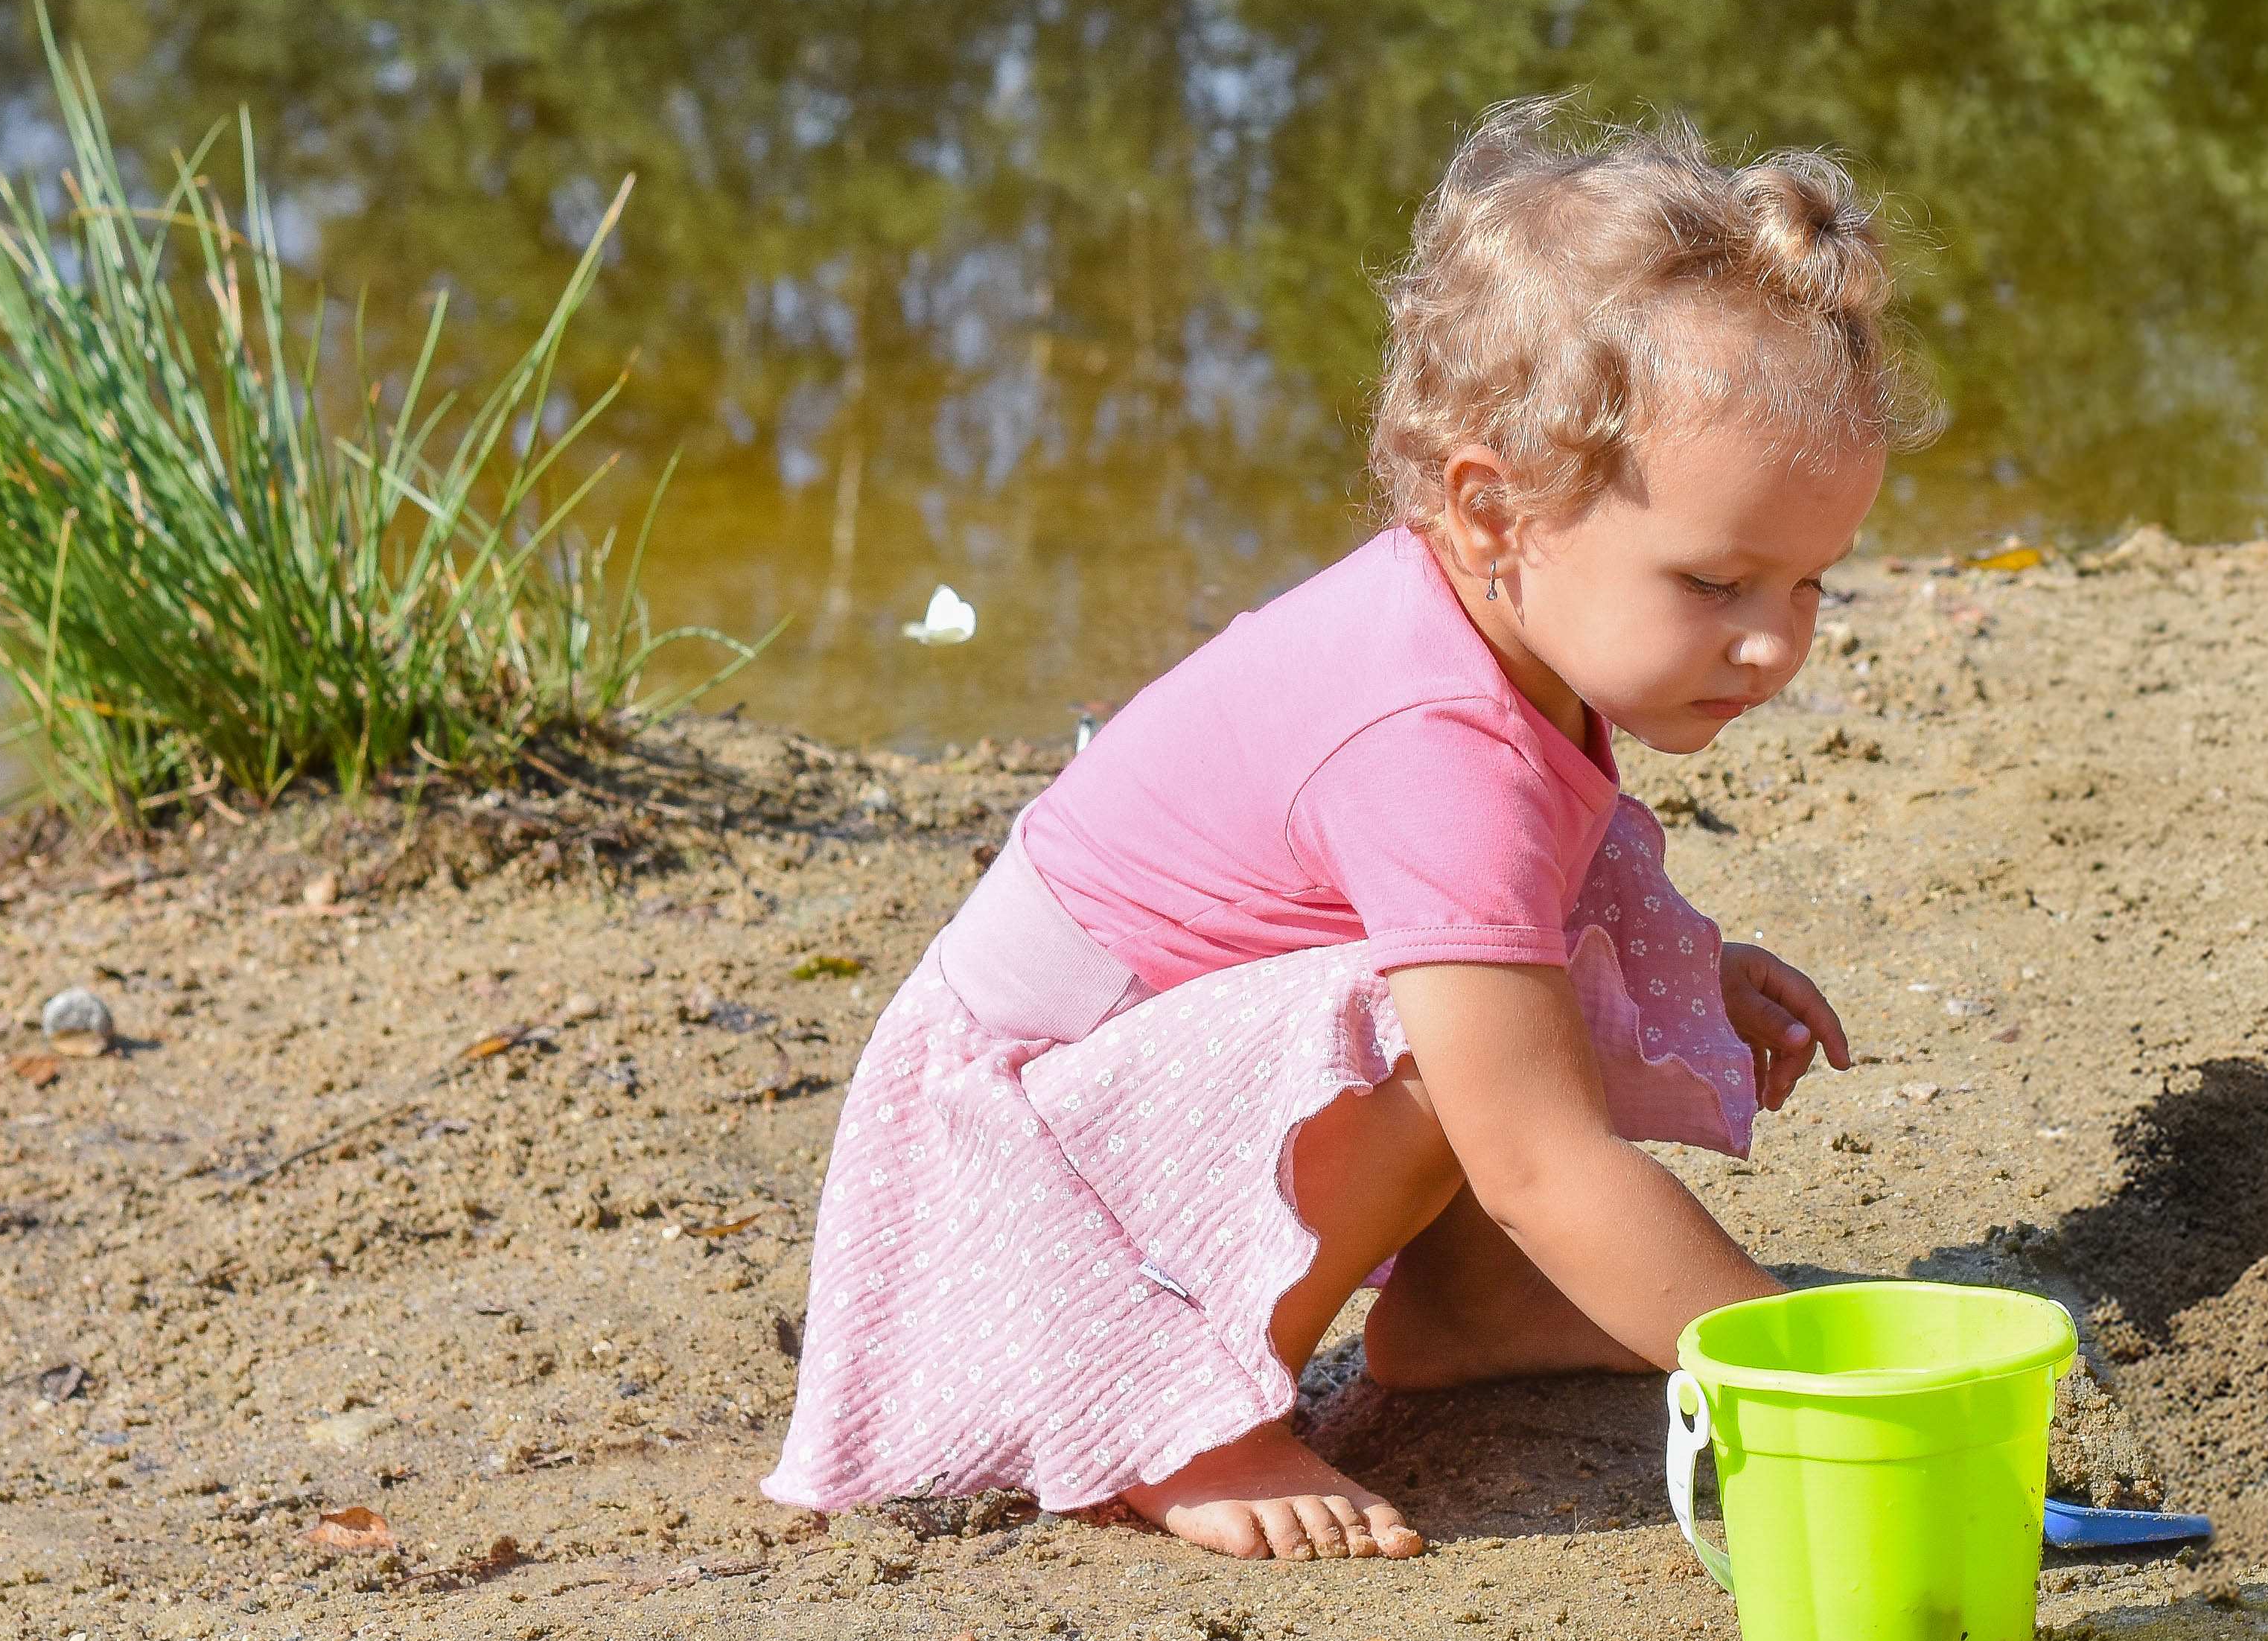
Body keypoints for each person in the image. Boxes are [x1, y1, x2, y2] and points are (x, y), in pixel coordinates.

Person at [762, 101, 1937, 1561]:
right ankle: (1176, 1421)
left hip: (1131, 1106)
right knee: (1440, 1027)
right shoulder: (1430, 737)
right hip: (1021, 1179)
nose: (1775, 645)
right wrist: (1822, 1384)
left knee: (1488, 982)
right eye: (1715, 583)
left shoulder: (1497, 631)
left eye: (1810, 583)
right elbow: (1538, 1157)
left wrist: (1690, 975)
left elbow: (1532, 905)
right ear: (1493, 505)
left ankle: (1473, 1307)